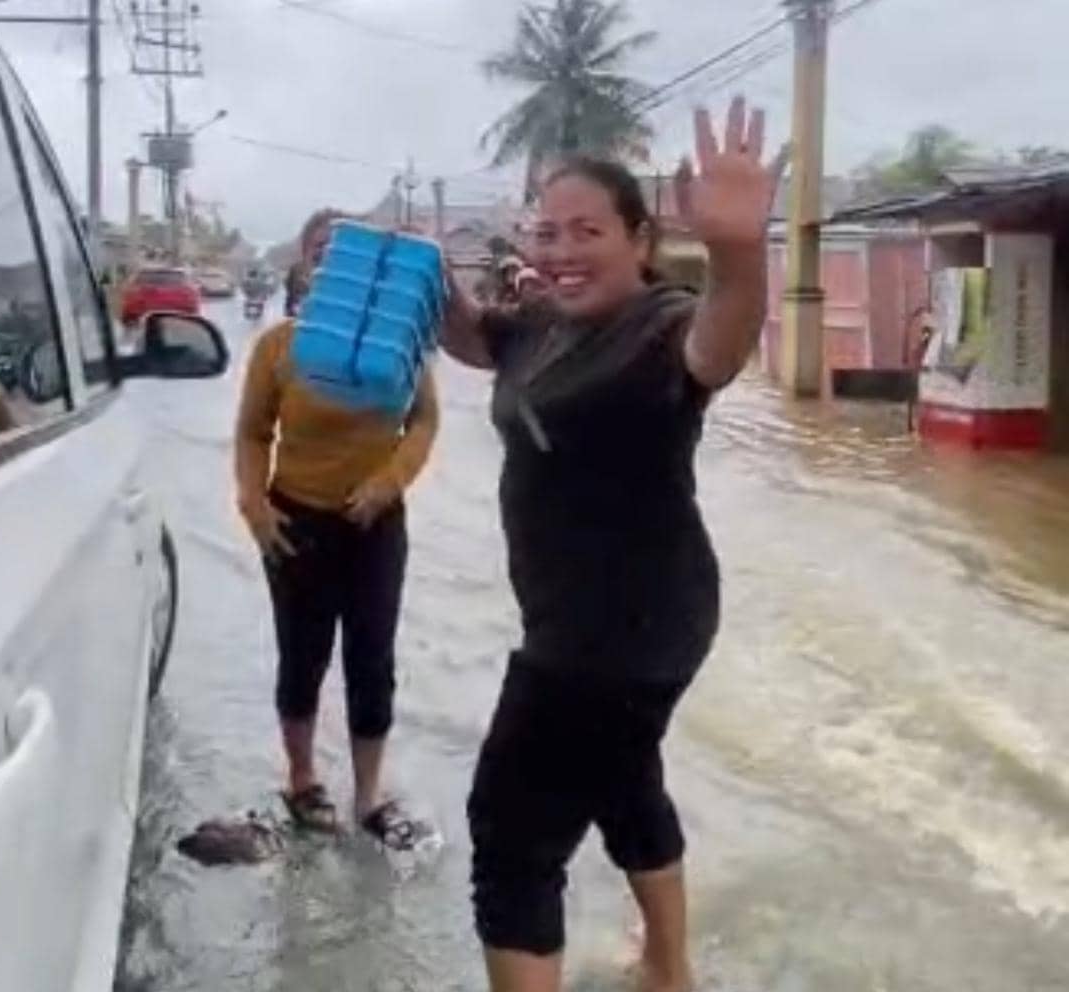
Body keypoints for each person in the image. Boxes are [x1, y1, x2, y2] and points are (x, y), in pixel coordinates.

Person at [440, 98, 786, 992]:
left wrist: (738, 253)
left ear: (639, 240)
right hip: (619, 617)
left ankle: (665, 970)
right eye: (544, 232)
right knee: (625, 782)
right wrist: (419, 277)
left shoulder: (658, 327)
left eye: (585, 230)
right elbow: (478, 341)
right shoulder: (547, 324)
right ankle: (669, 970)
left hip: (613, 634)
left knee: (511, 835)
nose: (558, 250)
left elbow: (723, 339)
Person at [234, 207, 440, 849]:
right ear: (306, 263)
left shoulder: (399, 344)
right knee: (302, 658)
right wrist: (254, 506)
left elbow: (425, 422)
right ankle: (301, 779)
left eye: (343, 250)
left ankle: (369, 797)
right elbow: (251, 431)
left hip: (376, 527)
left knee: (372, 661)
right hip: (294, 522)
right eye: (322, 249)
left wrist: (389, 482)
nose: (331, 259)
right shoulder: (279, 347)